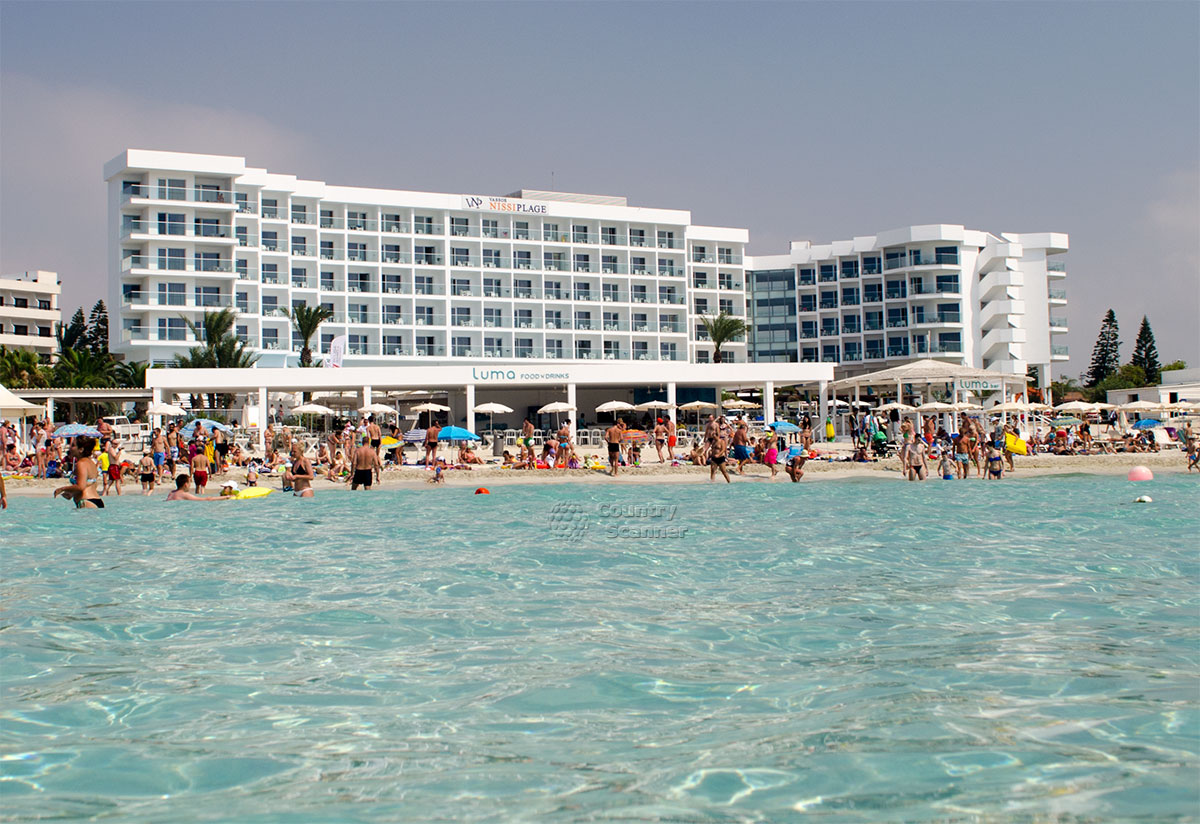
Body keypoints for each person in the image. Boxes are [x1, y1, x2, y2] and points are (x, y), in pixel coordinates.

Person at [54, 437, 104, 508]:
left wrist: (62, 489)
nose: (70, 448)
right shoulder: (91, 463)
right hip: (96, 500)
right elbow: (92, 484)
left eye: (73, 445)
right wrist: (72, 493)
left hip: (86, 501)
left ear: (81, 449)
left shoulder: (81, 463)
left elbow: (81, 486)